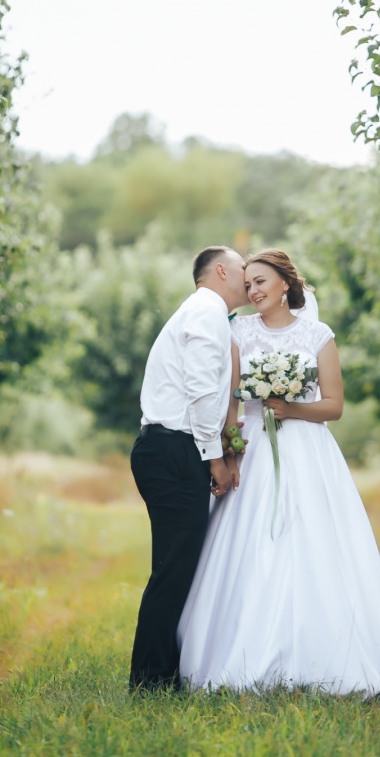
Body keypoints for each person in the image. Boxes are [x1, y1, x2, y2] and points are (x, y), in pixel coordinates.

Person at [178, 249, 380, 708]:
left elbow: (334, 405)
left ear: (286, 284)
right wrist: (229, 454)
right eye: (247, 284)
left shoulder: (317, 335)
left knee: (311, 544)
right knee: (249, 546)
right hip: (253, 450)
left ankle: (321, 657)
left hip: (307, 452)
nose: (252, 291)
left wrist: (292, 409)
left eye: (260, 282)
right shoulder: (238, 332)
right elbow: (231, 402)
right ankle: (242, 654)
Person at [129, 245, 248, 692]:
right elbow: (200, 391)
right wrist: (215, 458)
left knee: (176, 566)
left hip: (171, 449)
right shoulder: (205, 312)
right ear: (221, 270)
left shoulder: (207, 313)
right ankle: (150, 682)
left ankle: (158, 674)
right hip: (174, 451)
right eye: (243, 267)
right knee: (173, 569)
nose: (248, 272)